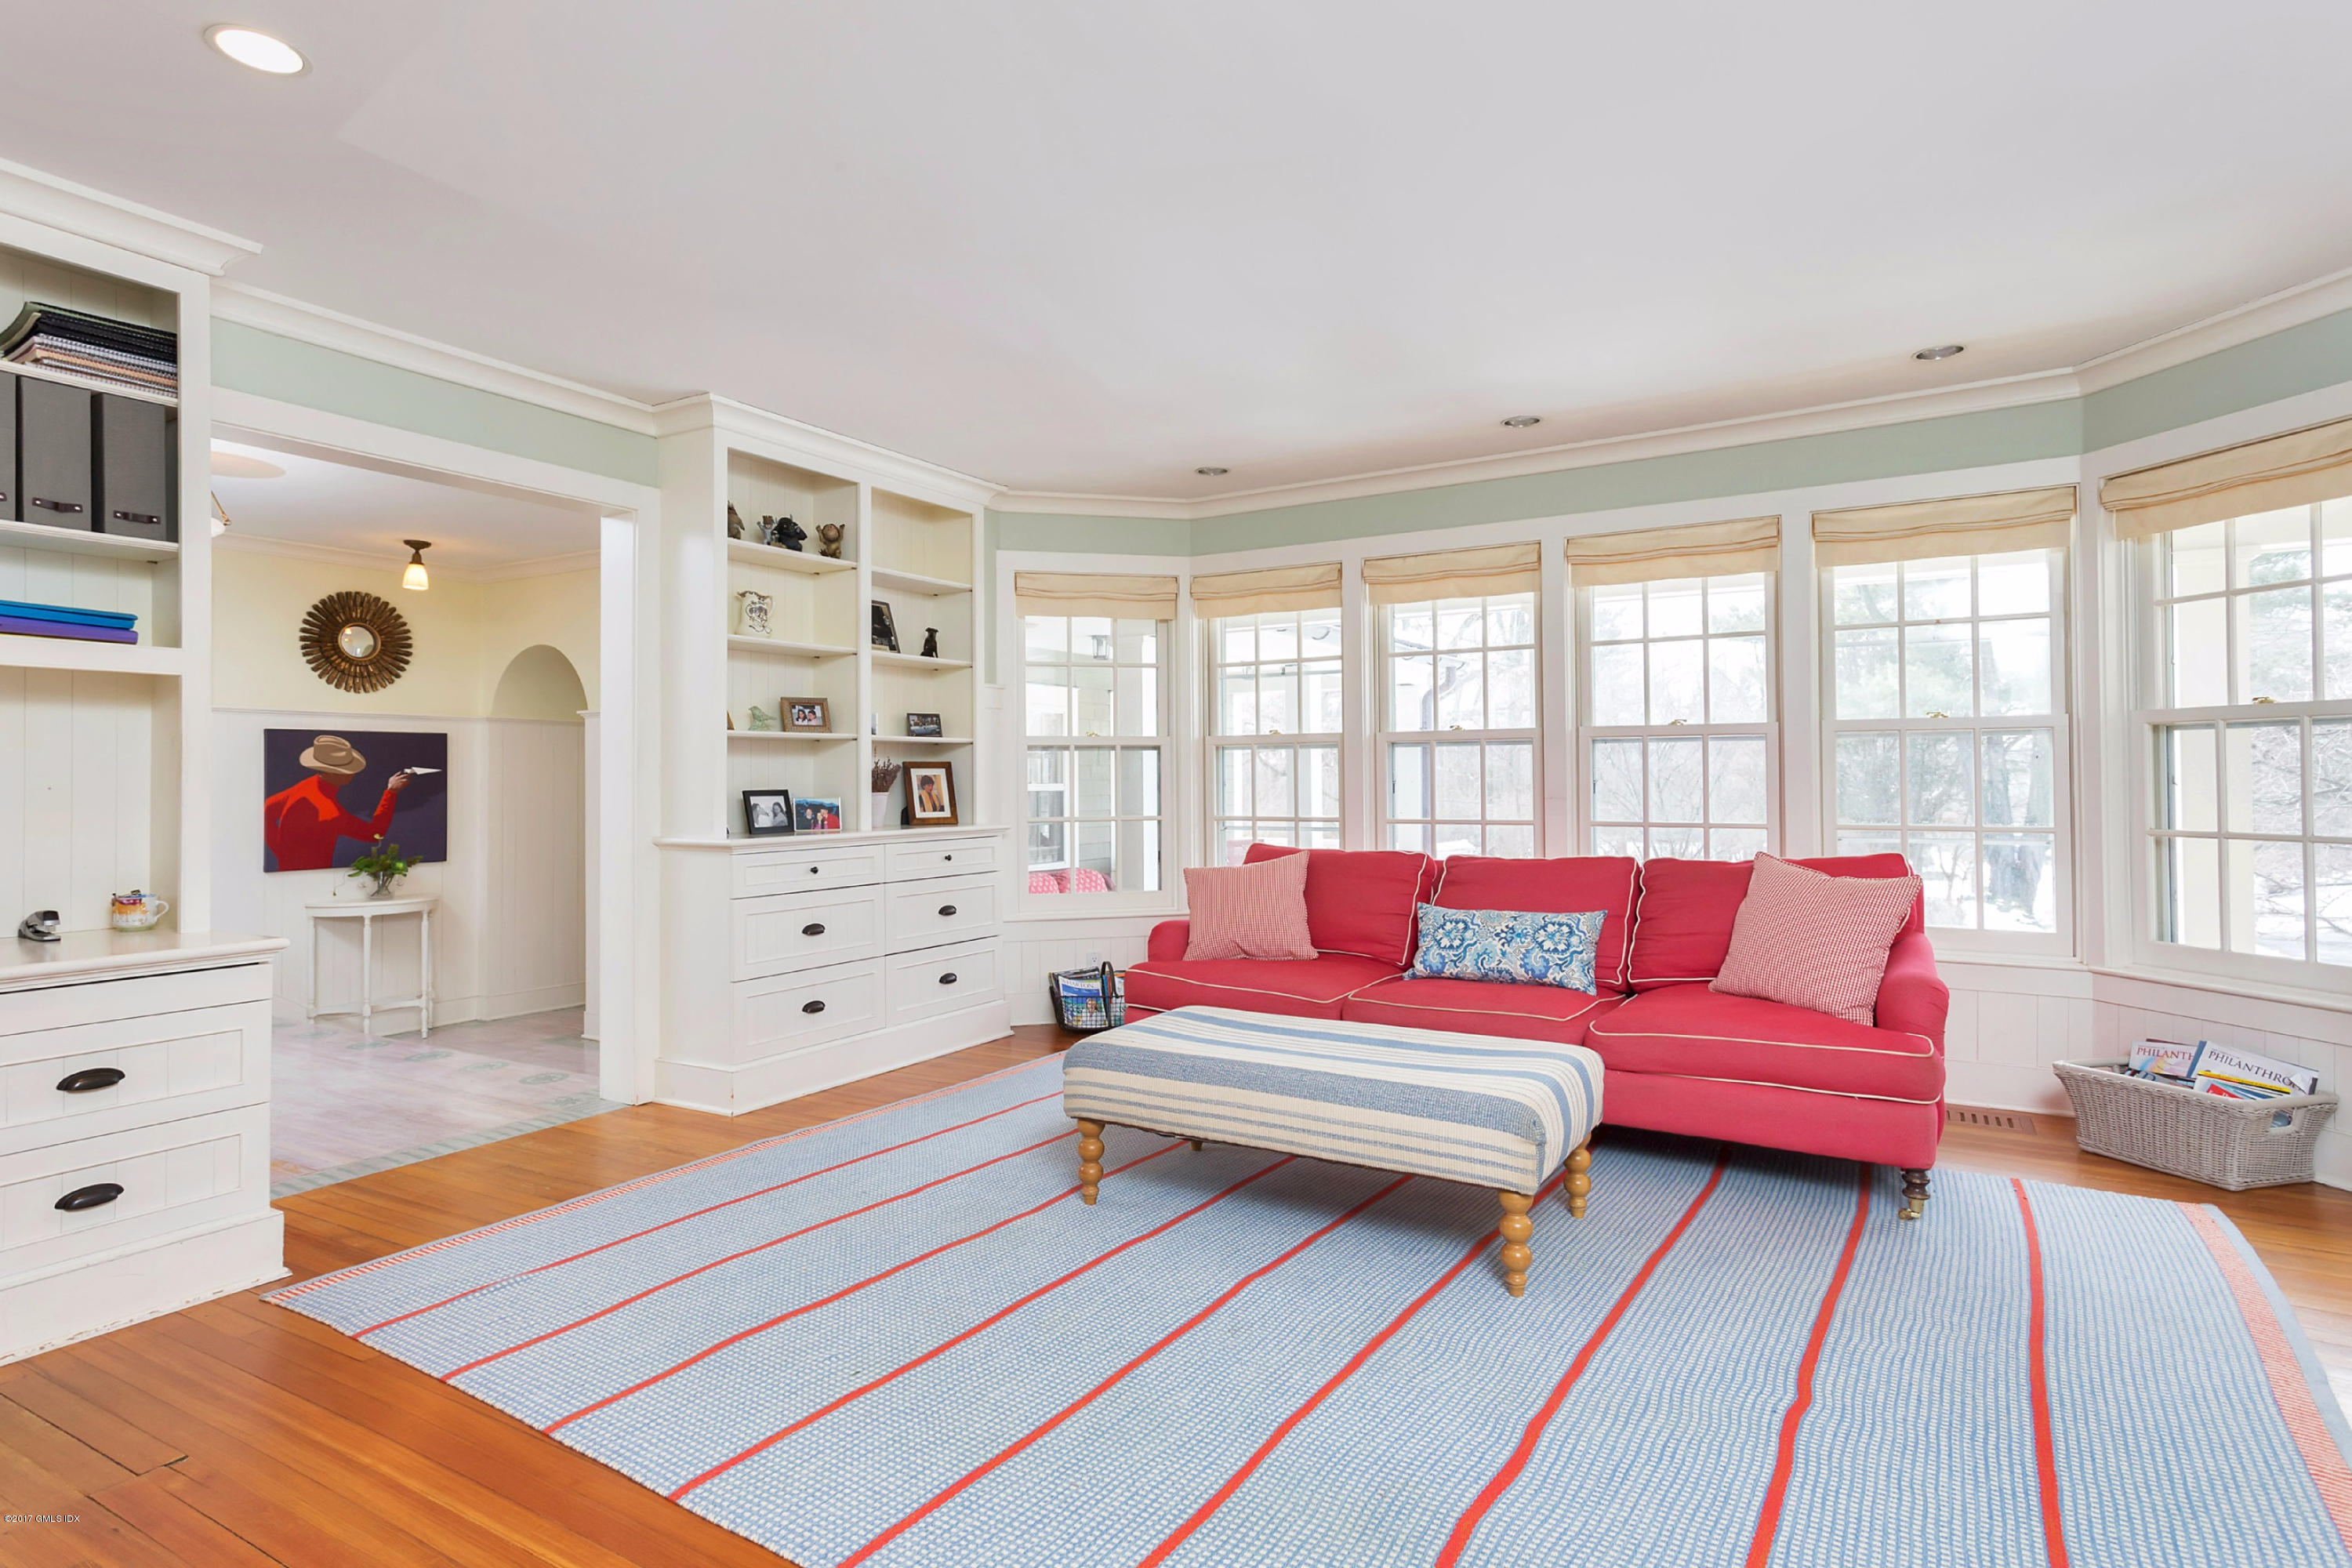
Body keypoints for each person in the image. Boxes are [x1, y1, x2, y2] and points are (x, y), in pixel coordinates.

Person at [263, 735, 411, 871]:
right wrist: (391, 793)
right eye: (348, 770)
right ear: (332, 773)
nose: (353, 773)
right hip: (316, 879)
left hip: (288, 873)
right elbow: (375, 834)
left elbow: (265, 811)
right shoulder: (330, 812)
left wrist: (282, 854)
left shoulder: (305, 786)